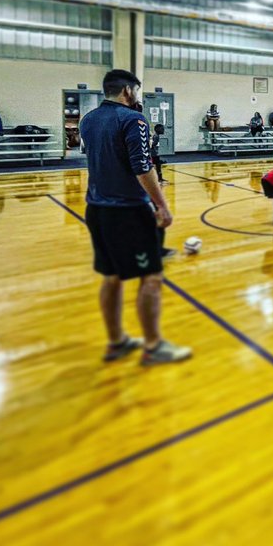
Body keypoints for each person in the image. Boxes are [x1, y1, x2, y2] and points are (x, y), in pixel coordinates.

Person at [79, 69, 190, 366]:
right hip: (128, 211)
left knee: (112, 277)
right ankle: (154, 347)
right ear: (128, 91)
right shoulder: (133, 119)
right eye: (137, 91)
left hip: (96, 208)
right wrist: (162, 206)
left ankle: (117, 342)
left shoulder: (88, 120)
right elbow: (143, 167)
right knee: (151, 277)